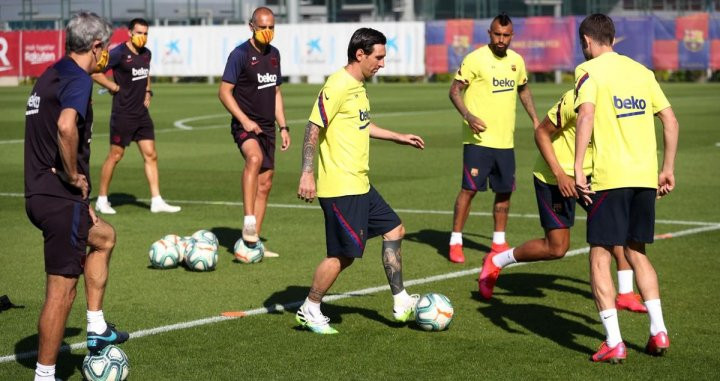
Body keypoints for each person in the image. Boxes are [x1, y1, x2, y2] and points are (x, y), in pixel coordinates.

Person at [295, 28, 425, 334]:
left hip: (360, 184)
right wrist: (306, 172)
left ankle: (401, 300)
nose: (382, 64)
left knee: (395, 229)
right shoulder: (338, 84)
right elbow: (313, 127)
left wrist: (397, 137)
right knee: (343, 256)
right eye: (379, 57)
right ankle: (310, 307)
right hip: (341, 187)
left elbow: (361, 125)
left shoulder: (359, 87)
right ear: (360, 54)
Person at [24, 12, 129, 381]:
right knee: (61, 291)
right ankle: (45, 375)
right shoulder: (79, 80)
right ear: (96, 46)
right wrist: (72, 177)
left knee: (104, 238)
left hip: (40, 195)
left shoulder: (49, 75)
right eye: (108, 47)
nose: (108, 55)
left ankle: (96, 326)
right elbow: (66, 126)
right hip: (58, 198)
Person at [477, 89, 647, 315]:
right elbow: (541, 133)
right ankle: (497, 261)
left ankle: (625, 293)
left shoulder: (620, 101)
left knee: (617, 230)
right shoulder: (574, 98)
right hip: (554, 177)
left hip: (594, 177)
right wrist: (560, 175)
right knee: (556, 248)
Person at [573, 14, 679, 363]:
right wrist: (666, 168)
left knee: (600, 253)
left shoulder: (587, 72)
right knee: (636, 252)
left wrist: (576, 168)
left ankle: (614, 342)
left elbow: (585, 116)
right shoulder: (642, 72)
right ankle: (658, 331)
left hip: (609, 177)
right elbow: (670, 120)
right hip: (645, 177)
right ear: (613, 40)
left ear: (587, 41)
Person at [448, 13, 539, 264]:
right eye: (497, 34)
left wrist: (534, 119)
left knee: (504, 191)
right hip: (478, 141)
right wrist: (468, 115)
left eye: (505, 35)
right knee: (469, 189)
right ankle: (455, 240)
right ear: (489, 33)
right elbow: (454, 90)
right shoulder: (475, 59)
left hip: (505, 141)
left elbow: (523, 88)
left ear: (512, 36)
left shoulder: (516, 61)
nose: (501, 39)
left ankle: (499, 241)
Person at [218, 7, 290, 258]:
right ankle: (248, 220)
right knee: (254, 158)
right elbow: (224, 92)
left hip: (268, 128)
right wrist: (245, 120)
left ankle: (252, 245)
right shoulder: (239, 55)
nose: (268, 32)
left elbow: (277, 92)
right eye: (263, 28)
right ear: (252, 27)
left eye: (272, 27)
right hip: (245, 125)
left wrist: (284, 126)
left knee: (266, 184)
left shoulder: (274, 55)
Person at [92, 18, 180, 214]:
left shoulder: (146, 54)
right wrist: (113, 86)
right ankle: (102, 199)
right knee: (115, 155)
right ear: (130, 33)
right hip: (123, 113)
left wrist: (148, 91)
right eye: (139, 33)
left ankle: (156, 201)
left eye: (146, 33)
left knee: (151, 155)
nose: (143, 37)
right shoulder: (118, 53)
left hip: (141, 115)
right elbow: (95, 72)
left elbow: (145, 73)